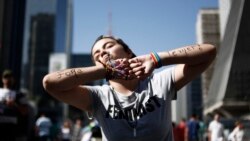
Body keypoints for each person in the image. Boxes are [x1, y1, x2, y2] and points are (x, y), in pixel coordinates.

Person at [42, 35, 216, 141]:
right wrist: (104, 70)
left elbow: (209, 51)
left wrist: (156, 59)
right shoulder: (97, 97)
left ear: (128, 52)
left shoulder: (160, 82)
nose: (102, 52)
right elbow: (50, 83)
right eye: (97, 55)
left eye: (108, 46)